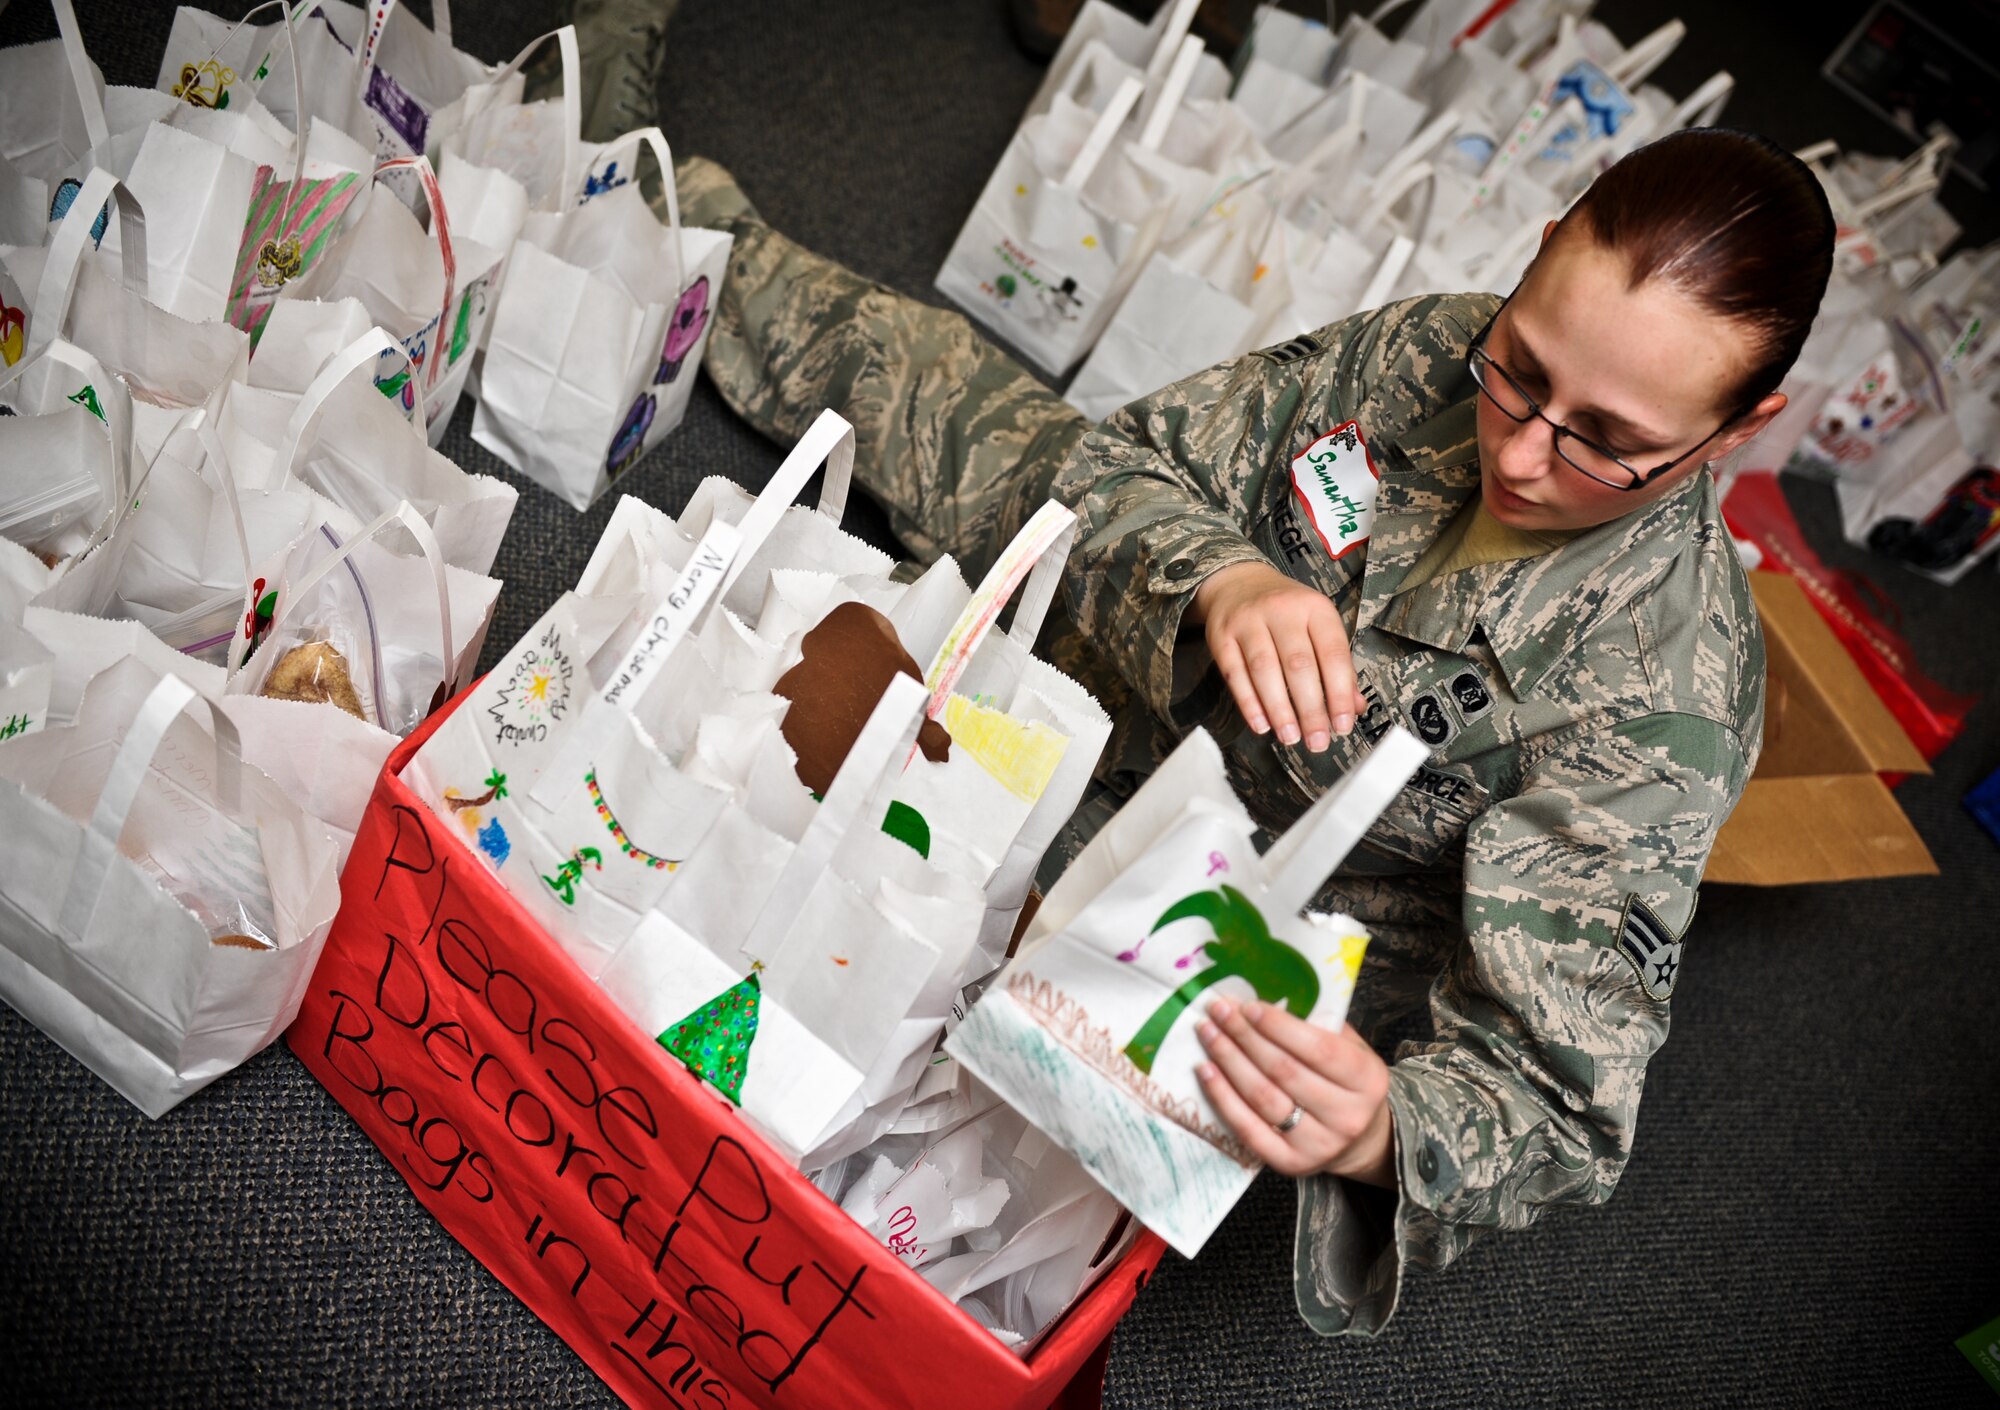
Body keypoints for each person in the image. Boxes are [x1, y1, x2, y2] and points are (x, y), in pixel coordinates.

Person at [669, 127, 1834, 1335]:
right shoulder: (1434, 348)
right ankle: (667, 192)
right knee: (924, 389)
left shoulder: (1663, 701)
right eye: (1522, 370)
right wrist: (1220, 575)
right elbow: (1123, 463)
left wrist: (1387, 1129)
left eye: (1609, 442)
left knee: (897, 990)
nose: (1522, 453)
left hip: (1263, 913)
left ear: (1739, 430)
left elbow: (1552, 1095)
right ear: (1535, 259)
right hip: (1114, 674)